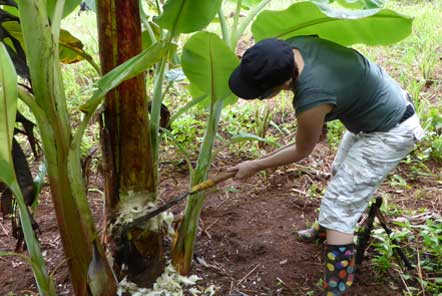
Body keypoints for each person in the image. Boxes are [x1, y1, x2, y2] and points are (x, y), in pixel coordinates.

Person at [227, 36, 424, 296]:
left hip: (390, 131)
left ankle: (337, 288)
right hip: (374, 110)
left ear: (285, 82)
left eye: (262, 94)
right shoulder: (291, 48)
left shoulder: (313, 97)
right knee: (339, 175)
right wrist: (254, 162)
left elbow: (301, 150)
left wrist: (254, 166)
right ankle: (325, 231)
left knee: (341, 206)